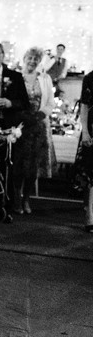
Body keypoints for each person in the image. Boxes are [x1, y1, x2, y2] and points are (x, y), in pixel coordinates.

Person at [12, 47, 55, 215]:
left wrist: (40, 115)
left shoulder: (45, 78)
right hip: (20, 126)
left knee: (32, 167)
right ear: (24, 58)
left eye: (36, 59)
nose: (32, 61)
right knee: (18, 164)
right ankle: (16, 197)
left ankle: (26, 199)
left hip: (38, 126)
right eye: (30, 58)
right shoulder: (16, 77)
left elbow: (50, 102)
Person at [74, 70, 93, 232]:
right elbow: (84, 106)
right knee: (91, 175)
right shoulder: (90, 78)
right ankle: (90, 218)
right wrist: (85, 131)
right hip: (92, 129)